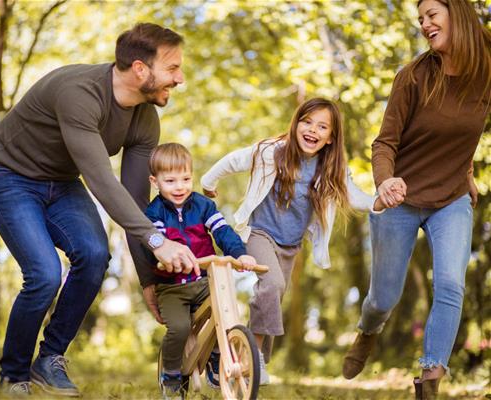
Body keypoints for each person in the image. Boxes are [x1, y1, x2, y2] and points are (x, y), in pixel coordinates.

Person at [0, 23, 200, 396]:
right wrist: (157, 241)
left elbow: (134, 204)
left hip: (61, 183)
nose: (180, 79)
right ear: (140, 69)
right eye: (173, 68)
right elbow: (101, 180)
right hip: (9, 176)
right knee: (45, 274)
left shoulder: (145, 117)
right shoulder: (79, 93)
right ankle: (14, 375)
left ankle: (49, 359)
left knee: (96, 254)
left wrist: (148, 280)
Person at [341, 1, 491, 398]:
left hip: (452, 199)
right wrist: (385, 181)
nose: (424, 24)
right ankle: (368, 331)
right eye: (420, 19)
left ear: (456, 12)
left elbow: (463, 130)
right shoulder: (414, 77)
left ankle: (430, 379)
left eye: (431, 15)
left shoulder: (488, 65)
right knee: (383, 297)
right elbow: (384, 143)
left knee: (450, 284)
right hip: (401, 198)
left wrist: (466, 172)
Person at [201, 98, 386, 385]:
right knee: (271, 285)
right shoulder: (271, 152)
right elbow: (234, 160)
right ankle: (257, 358)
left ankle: (232, 355)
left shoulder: (330, 169)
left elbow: (354, 196)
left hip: (290, 245)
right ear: (296, 123)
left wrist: (379, 201)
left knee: (273, 296)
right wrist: (208, 183)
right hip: (259, 233)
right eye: (307, 121)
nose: (313, 130)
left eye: (322, 126)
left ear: (330, 138)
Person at [143, 143, 257, 398]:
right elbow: (159, 243)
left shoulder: (203, 206)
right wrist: (171, 260)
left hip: (205, 279)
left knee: (225, 309)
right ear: (155, 181)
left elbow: (222, 231)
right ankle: (171, 372)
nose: (180, 186)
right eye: (170, 180)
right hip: (172, 287)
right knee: (180, 328)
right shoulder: (154, 212)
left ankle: (218, 358)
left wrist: (241, 254)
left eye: (185, 178)